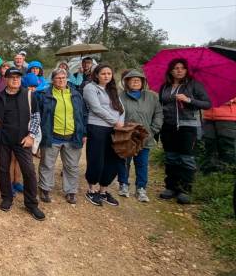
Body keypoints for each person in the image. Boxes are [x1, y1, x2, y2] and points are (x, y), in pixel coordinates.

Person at [0, 68, 45, 220]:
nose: (15, 80)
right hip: (3, 140)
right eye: (12, 77)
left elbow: (36, 116)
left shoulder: (29, 95)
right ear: (5, 79)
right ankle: (7, 198)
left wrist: (31, 136)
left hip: (23, 140)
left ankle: (31, 204)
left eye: (18, 77)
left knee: (29, 171)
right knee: (3, 169)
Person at [159, 58, 211, 204]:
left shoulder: (194, 85)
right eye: (176, 68)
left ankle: (185, 190)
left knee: (186, 159)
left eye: (182, 68)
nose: (179, 70)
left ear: (187, 70)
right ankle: (171, 187)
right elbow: (160, 104)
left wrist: (188, 100)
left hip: (189, 126)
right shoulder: (165, 87)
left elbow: (207, 103)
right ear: (171, 70)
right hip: (168, 126)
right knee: (170, 157)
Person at [36, 68, 88, 204]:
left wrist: (84, 132)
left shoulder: (76, 95)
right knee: (47, 164)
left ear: (68, 79)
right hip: (52, 135)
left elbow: (83, 115)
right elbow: (38, 115)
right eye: (58, 78)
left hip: (72, 136)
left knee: (72, 166)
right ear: (52, 80)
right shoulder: (44, 95)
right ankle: (45, 188)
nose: (61, 80)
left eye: (64, 78)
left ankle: (71, 191)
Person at [82, 64, 125, 207]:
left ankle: (103, 190)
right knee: (96, 159)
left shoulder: (112, 90)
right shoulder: (90, 88)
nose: (106, 76)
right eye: (103, 73)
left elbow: (121, 108)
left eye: (109, 73)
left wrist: (120, 123)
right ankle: (92, 189)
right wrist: (114, 121)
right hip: (97, 127)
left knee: (113, 159)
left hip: (114, 129)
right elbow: (96, 108)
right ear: (96, 75)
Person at [118, 69, 163, 202]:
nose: (136, 81)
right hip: (125, 137)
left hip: (145, 137)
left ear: (143, 82)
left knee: (142, 163)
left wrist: (153, 130)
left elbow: (159, 114)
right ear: (126, 82)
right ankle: (123, 184)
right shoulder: (120, 97)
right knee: (124, 162)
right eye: (132, 79)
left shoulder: (152, 97)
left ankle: (141, 189)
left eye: (139, 79)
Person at [201, 97, 236, 174]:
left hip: (228, 117)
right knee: (209, 145)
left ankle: (228, 172)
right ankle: (210, 174)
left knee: (226, 146)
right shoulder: (209, 85)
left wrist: (231, 99)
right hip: (208, 117)